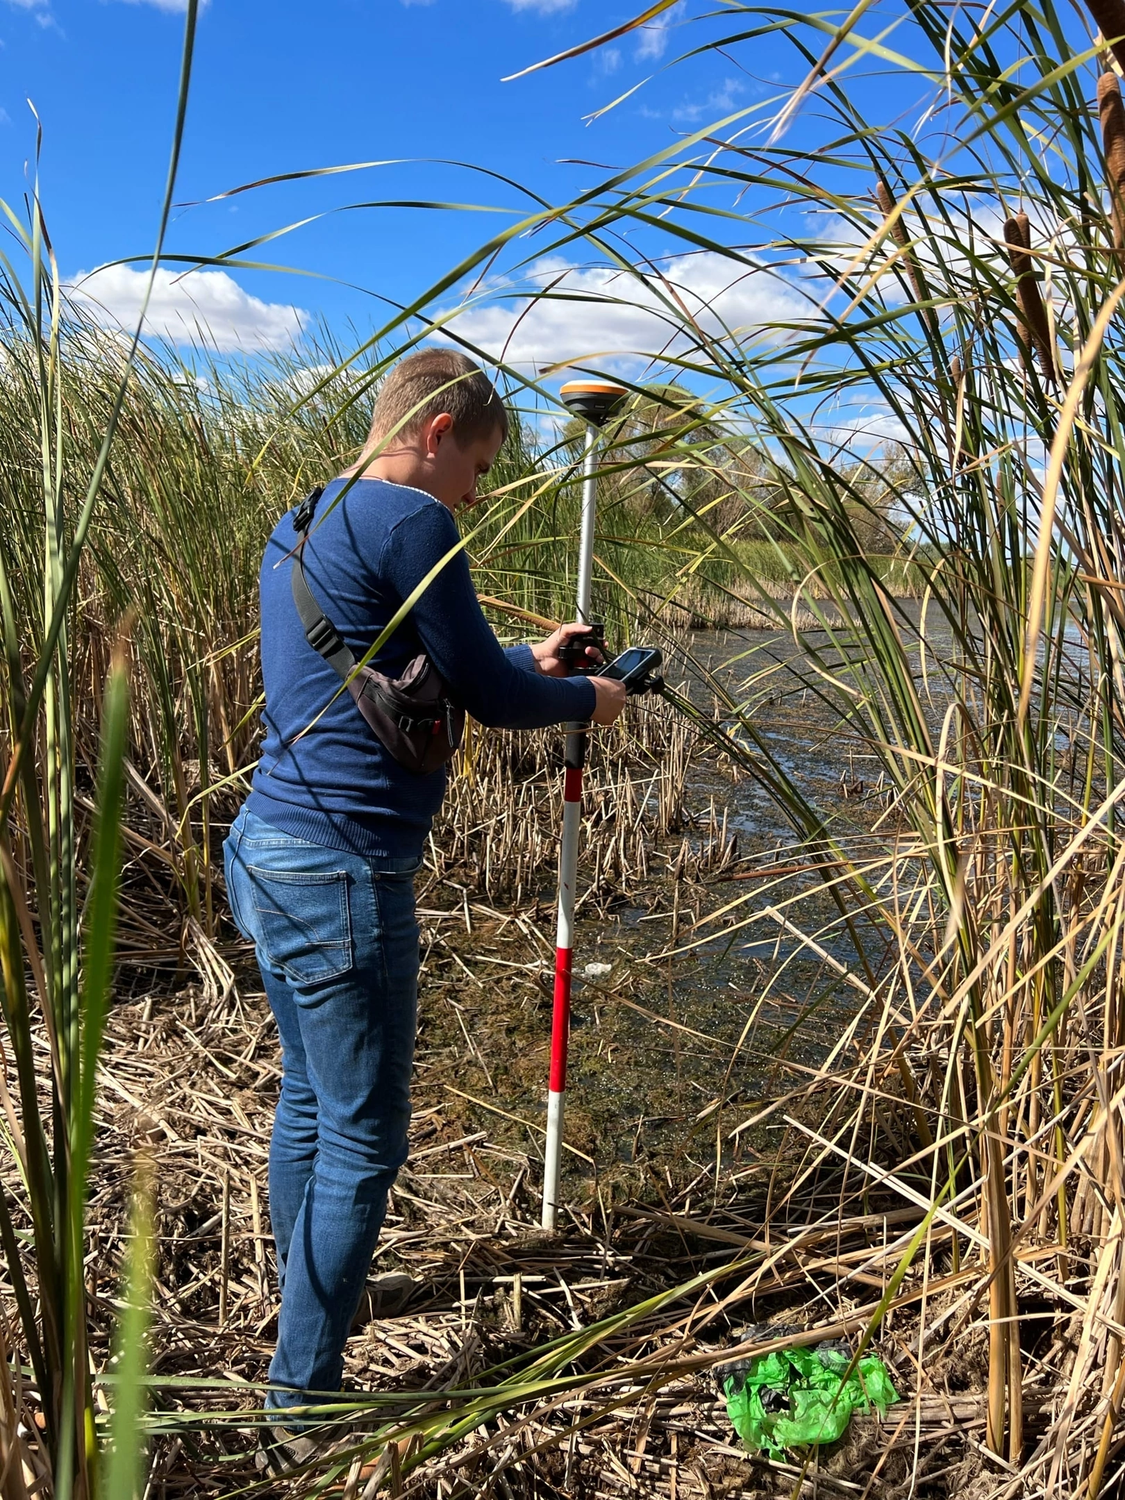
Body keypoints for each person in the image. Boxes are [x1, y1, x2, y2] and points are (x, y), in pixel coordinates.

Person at [223, 349, 626, 1469]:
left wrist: (521, 653)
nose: (481, 493)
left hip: (265, 849)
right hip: (343, 874)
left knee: (310, 1100)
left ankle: (312, 1302)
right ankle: (298, 1407)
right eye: (483, 467)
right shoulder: (412, 521)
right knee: (364, 1139)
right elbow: (491, 704)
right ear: (440, 428)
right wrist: (588, 693)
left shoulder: (303, 520)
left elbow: (407, 665)